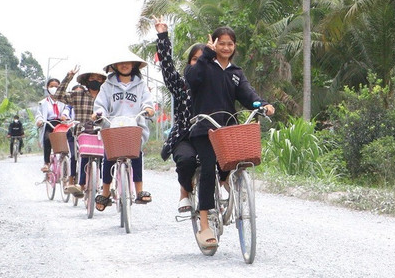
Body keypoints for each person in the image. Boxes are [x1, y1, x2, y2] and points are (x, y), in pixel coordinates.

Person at [185, 26, 274, 249]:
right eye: (221, 43)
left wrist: (262, 105)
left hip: (227, 130)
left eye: (230, 44)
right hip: (203, 128)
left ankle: (229, 189)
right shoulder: (203, 66)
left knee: (235, 164)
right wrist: (206, 53)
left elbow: (248, 95)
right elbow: (191, 80)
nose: (226, 47)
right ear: (214, 43)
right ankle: (205, 224)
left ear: (234, 47)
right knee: (207, 168)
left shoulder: (235, 72)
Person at [153, 17, 206, 215]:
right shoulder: (181, 84)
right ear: (189, 63)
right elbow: (166, 67)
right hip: (184, 135)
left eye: (203, 59)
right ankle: (185, 190)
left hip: (210, 134)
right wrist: (162, 36)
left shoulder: (216, 82)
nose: (199, 63)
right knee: (185, 161)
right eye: (194, 59)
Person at [92, 51, 155, 211]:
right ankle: (105, 193)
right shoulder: (107, 85)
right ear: (114, 66)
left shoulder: (141, 85)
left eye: (128, 62)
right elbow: (101, 104)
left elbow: (147, 102)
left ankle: (139, 190)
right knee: (109, 156)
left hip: (134, 125)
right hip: (112, 125)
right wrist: (99, 114)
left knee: (136, 154)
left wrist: (148, 109)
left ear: (134, 65)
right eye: (120, 62)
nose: (124, 65)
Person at [52, 66, 107, 197]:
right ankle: (81, 184)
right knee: (84, 156)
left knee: (107, 159)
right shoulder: (78, 95)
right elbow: (58, 95)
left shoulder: (106, 97)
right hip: (82, 132)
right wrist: (68, 77)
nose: (96, 81)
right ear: (86, 81)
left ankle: (105, 188)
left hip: (102, 132)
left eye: (99, 79)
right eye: (92, 78)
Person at [35, 78, 64, 173]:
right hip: (49, 123)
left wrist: (66, 117)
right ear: (47, 88)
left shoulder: (64, 101)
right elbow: (39, 114)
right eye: (51, 86)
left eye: (56, 86)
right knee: (47, 138)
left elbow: (68, 111)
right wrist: (39, 121)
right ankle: (46, 163)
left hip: (61, 124)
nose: (54, 88)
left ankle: (66, 164)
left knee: (67, 141)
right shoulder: (43, 103)